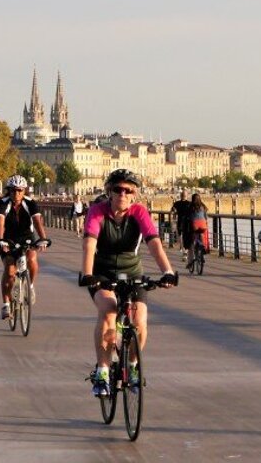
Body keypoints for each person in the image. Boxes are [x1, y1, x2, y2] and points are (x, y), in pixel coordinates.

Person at [77, 169, 177, 396]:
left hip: (132, 272)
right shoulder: (97, 211)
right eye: (117, 189)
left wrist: (168, 272)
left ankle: (132, 365)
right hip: (101, 272)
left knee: (140, 320)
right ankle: (102, 371)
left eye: (128, 190)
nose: (122, 194)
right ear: (109, 192)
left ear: (134, 195)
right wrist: (88, 273)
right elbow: (89, 244)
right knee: (109, 311)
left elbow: (154, 244)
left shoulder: (139, 212)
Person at [0, 174, 50, 320]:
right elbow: (0, 223)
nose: (16, 194)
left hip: (26, 236)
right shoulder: (2, 203)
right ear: (9, 191)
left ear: (24, 190)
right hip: (8, 238)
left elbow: (37, 221)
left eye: (19, 190)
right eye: (13, 190)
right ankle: (6, 305)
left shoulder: (30, 203)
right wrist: (0, 240)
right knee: (10, 269)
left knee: (32, 259)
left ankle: (30, 286)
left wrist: (43, 238)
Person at [170, 191, 192, 257]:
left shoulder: (177, 203)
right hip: (187, 222)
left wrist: (175, 212)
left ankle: (183, 249)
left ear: (180, 196)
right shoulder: (189, 203)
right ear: (187, 196)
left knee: (180, 236)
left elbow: (172, 211)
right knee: (187, 236)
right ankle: (186, 250)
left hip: (180, 221)